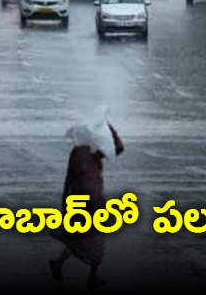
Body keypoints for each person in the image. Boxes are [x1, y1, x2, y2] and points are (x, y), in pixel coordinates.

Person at [49, 121, 125, 289]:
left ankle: (59, 263)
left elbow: (68, 178)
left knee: (81, 238)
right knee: (95, 240)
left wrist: (65, 200)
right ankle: (90, 276)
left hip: (81, 202)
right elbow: (119, 148)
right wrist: (111, 129)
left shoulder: (79, 153)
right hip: (91, 204)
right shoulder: (94, 153)